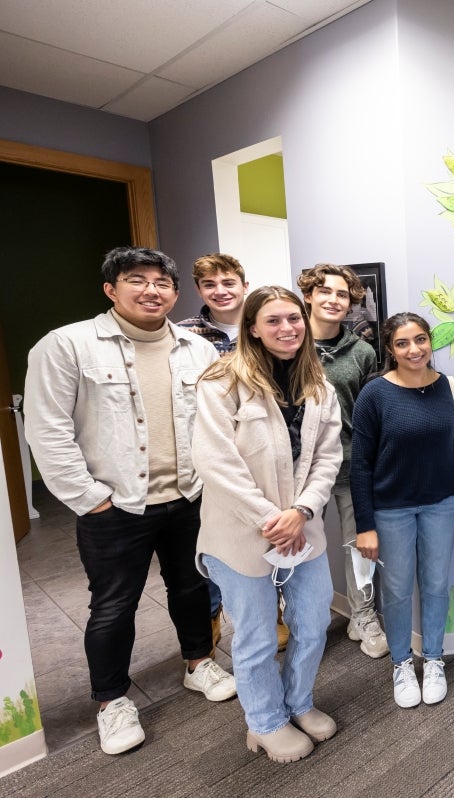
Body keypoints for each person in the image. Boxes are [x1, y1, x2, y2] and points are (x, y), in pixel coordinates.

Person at [25, 246, 235, 757]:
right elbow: (47, 430)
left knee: (191, 588)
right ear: (110, 289)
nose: (151, 290)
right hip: (116, 506)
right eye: (136, 280)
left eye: (162, 282)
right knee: (113, 606)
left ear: (175, 292)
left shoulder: (196, 348)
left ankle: (197, 663)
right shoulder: (68, 345)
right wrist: (89, 499)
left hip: (188, 496)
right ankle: (112, 701)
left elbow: (216, 420)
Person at [193, 286, 342, 763]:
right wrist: (269, 519)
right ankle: (264, 721)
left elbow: (327, 458)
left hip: (304, 530)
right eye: (274, 320)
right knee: (255, 635)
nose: (287, 329)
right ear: (252, 327)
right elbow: (215, 462)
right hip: (239, 533)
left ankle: (298, 702)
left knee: (314, 622)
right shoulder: (221, 382)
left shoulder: (318, 386)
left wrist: (301, 512)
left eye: (294, 319)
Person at [351, 313, 454, 708]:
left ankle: (433, 659)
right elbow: (360, 463)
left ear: (430, 342)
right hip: (391, 510)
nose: (414, 349)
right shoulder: (375, 394)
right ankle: (402, 664)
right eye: (402, 343)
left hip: (441, 503)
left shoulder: (452, 388)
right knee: (398, 591)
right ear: (389, 350)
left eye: (420, 340)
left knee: (436, 585)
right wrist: (365, 525)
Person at [297, 263, 386, 659]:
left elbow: (370, 413)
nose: (334, 300)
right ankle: (302, 618)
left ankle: (362, 615)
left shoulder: (364, 351)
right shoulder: (288, 344)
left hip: (352, 464)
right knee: (302, 546)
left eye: (343, 295)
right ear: (310, 296)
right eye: (326, 292)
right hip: (300, 469)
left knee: (359, 545)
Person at [178, 252, 249, 652]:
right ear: (199, 290)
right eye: (210, 285)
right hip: (207, 458)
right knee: (210, 547)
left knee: (263, 543)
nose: (220, 291)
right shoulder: (184, 334)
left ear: (244, 285)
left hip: (259, 456)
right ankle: (211, 624)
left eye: (228, 283)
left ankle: (272, 615)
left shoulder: (263, 325)